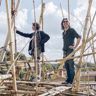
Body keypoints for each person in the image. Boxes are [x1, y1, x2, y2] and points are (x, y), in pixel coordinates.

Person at [61, 18, 81, 85]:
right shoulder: (63, 32)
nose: (65, 23)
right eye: (64, 22)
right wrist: (64, 52)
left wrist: (75, 46)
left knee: (71, 65)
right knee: (66, 66)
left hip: (70, 50)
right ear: (62, 24)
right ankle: (68, 80)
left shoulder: (72, 30)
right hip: (65, 50)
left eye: (67, 21)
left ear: (69, 23)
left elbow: (79, 37)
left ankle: (71, 81)